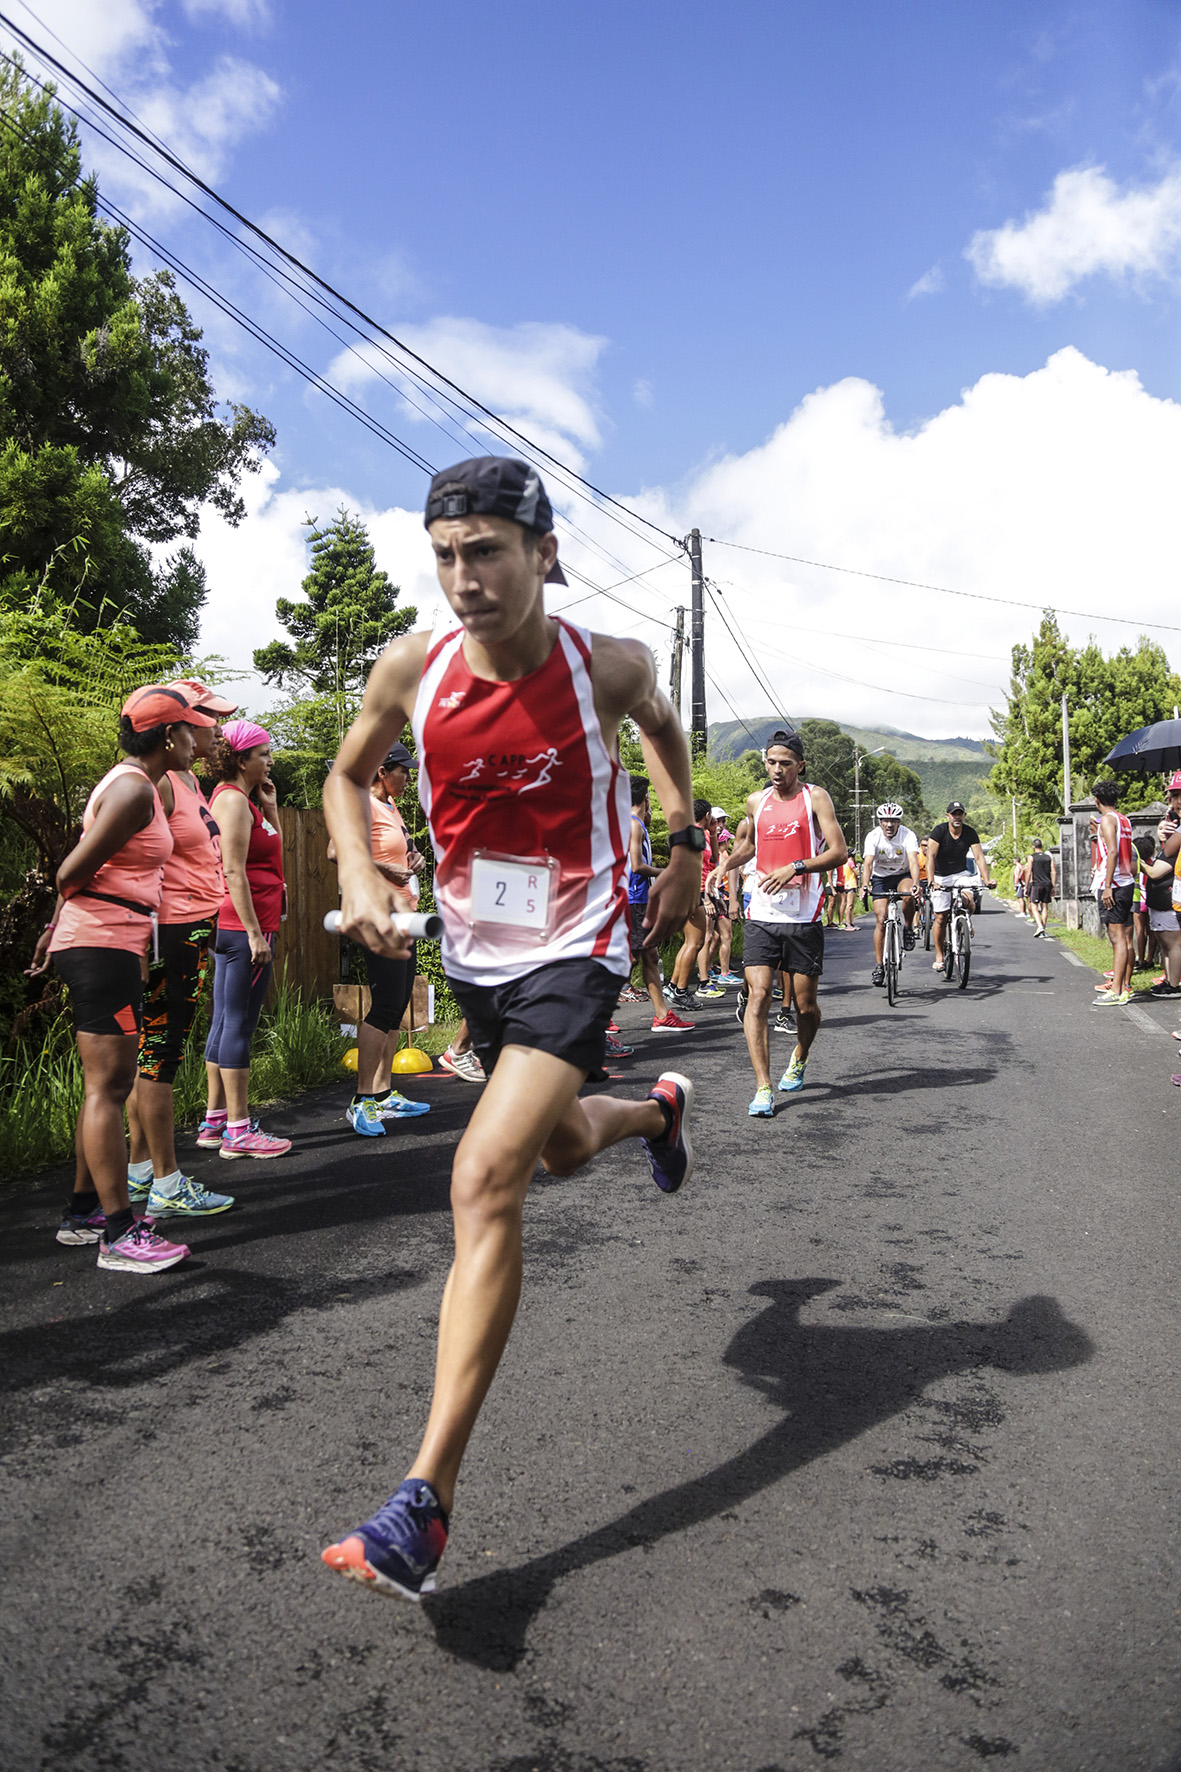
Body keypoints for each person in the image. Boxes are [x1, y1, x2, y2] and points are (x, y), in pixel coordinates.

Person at [320, 455, 700, 1600]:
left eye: (485, 550)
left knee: (484, 1175)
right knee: (562, 1147)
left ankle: (421, 1502)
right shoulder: (411, 668)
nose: (462, 577)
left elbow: (668, 735)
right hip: (476, 949)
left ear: (542, 554)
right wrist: (361, 873)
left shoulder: (607, 665)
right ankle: (651, 1112)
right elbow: (344, 778)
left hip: (577, 938)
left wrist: (681, 845)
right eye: (444, 554)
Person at [28, 686, 215, 1271]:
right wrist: (63, 922)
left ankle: (83, 1213)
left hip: (112, 940)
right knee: (108, 1088)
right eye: (189, 729)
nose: (196, 738)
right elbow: (72, 869)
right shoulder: (134, 789)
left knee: (109, 1083)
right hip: (101, 941)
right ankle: (118, 1233)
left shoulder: (142, 787)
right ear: (168, 736)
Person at [124, 678, 238, 1218]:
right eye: (206, 718)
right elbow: (129, 860)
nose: (214, 730)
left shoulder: (189, 780)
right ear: (177, 724)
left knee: (158, 1054)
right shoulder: (158, 782)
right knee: (159, 1057)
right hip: (168, 932)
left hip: (195, 928)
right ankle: (166, 1183)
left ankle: (140, 1172)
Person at [721, 729, 848, 1115]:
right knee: (758, 994)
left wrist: (796, 865)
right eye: (771, 763)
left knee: (806, 1007)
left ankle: (801, 1054)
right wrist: (723, 866)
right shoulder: (756, 801)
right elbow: (750, 844)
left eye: (786, 764)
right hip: (762, 912)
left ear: (800, 765)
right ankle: (763, 1087)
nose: (777, 770)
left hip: (804, 913)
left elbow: (839, 852)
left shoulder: (816, 798)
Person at [200, 721, 292, 1157]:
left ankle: (214, 1121)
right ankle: (238, 1131)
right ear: (241, 759)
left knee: (225, 1020)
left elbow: (271, 851)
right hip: (242, 930)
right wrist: (256, 935)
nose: (270, 761)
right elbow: (232, 870)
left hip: (244, 927)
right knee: (238, 1023)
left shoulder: (244, 801)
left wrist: (270, 808)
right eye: (263, 754)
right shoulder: (233, 802)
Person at [332, 742, 432, 1136]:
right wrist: (385, 869)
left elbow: (399, 854)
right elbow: (335, 851)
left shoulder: (391, 807)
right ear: (381, 771)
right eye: (402, 771)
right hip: (379, 915)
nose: (408, 778)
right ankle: (362, 1100)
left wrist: (414, 860)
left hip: (404, 915)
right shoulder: (361, 803)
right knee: (385, 1002)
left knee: (399, 1003)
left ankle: (384, 1092)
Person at [629, 774, 694, 1032]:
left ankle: (662, 1015)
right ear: (646, 796)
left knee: (650, 955)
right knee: (630, 959)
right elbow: (636, 866)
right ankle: (597, 1020)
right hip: (633, 899)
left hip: (641, 898)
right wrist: (665, 871)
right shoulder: (633, 824)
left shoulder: (638, 822)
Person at [928, 802, 993, 972]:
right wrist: (931, 880)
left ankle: (966, 920)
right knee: (940, 917)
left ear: (964, 815)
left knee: (969, 900)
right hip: (940, 876)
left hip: (960, 874)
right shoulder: (939, 831)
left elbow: (979, 857)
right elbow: (930, 856)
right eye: (953, 813)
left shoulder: (970, 832)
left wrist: (987, 879)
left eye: (960, 813)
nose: (957, 817)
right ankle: (940, 956)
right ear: (947, 815)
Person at [861, 802, 921, 986]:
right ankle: (879, 966)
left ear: (899, 822)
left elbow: (913, 861)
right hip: (880, 878)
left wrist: (916, 884)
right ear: (879, 821)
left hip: (902, 875)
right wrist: (864, 885)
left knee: (909, 895)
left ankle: (908, 927)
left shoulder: (908, 835)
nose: (889, 824)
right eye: (885, 820)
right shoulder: (873, 836)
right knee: (881, 919)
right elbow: (868, 863)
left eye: (893, 821)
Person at [664, 800, 715, 1008]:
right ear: (708, 815)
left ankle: (674, 985)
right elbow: (695, 865)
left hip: (689, 890)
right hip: (692, 890)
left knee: (690, 941)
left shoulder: (695, 832)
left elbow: (711, 862)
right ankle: (681, 991)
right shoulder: (696, 834)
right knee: (696, 942)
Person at [1091, 778, 1136, 1007]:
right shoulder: (1124, 819)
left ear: (1097, 800)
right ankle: (1123, 986)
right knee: (1124, 938)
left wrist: (1107, 885)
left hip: (1115, 885)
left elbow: (1113, 852)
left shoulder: (1107, 820)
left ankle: (1117, 990)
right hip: (1127, 882)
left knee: (1117, 939)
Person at [1133, 833, 1181, 998]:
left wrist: (1139, 863)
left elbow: (1155, 873)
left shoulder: (1171, 856)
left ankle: (1174, 984)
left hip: (1167, 906)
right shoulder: (1165, 853)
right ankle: (1168, 980)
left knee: (1173, 944)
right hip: (1158, 905)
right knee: (1165, 946)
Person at [1026, 838, 1056, 938]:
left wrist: (1026, 886)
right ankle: (1043, 930)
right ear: (1042, 847)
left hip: (1036, 884)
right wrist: (1053, 886)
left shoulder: (1031, 857)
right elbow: (1053, 871)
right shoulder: (1048, 857)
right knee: (1045, 907)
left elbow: (1029, 872)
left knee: (1034, 906)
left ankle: (1039, 926)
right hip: (1047, 884)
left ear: (1033, 847)